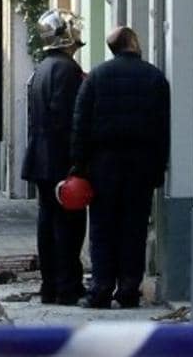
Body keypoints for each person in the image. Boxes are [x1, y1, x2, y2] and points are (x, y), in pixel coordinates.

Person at [71, 26, 170, 309]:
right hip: (142, 163)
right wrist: (159, 167)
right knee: (134, 228)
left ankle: (101, 288)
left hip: (103, 165)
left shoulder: (96, 77)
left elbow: (80, 125)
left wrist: (79, 166)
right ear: (134, 43)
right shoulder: (154, 77)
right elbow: (163, 128)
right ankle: (128, 289)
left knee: (103, 227)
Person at [21, 9, 87, 305]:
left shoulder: (41, 69)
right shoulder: (67, 70)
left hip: (40, 159)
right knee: (69, 227)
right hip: (61, 161)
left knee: (47, 225)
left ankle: (50, 285)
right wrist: (78, 160)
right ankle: (67, 287)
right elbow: (67, 119)